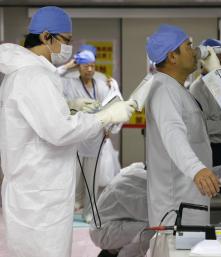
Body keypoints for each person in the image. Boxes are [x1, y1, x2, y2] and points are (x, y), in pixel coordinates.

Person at [0, 6, 135, 257]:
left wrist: (70, 108)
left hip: (35, 193)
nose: (68, 48)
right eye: (66, 41)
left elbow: (44, 123)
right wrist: (104, 116)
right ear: (45, 37)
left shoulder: (27, 75)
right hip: (40, 201)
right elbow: (59, 131)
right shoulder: (33, 76)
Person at [145, 24, 221, 226]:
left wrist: (216, 74)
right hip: (176, 204)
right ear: (172, 56)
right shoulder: (163, 89)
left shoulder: (177, 88)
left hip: (190, 196)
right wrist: (197, 169)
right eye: (189, 46)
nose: (196, 52)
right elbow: (173, 133)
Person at [59, 44, 119, 222]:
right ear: (79, 67)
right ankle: (68, 211)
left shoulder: (100, 85)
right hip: (76, 137)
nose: (90, 69)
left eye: (92, 66)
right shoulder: (69, 84)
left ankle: (89, 212)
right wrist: (66, 66)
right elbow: (51, 78)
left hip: (95, 137)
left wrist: (108, 129)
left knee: (91, 179)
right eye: (86, 66)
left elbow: (110, 108)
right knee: (72, 178)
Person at [89, 162, 153, 257]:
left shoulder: (133, 171)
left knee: (145, 229)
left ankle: (118, 249)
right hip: (104, 230)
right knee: (149, 230)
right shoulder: (139, 181)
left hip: (105, 226)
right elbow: (152, 216)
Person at [189, 39, 221, 166]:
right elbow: (203, 126)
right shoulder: (197, 88)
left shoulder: (220, 83)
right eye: (219, 55)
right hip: (211, 149)